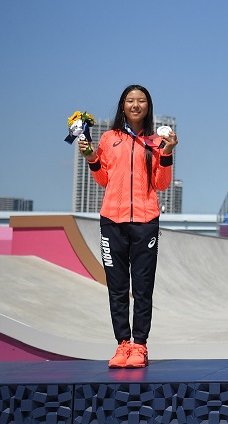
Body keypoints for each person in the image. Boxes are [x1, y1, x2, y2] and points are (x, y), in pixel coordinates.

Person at [78, 84, 178, 368]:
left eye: (141, 101)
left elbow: (161, 183)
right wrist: (90, 158)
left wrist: (168, 153)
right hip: (112, 220)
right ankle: (122, 344)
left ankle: (140, 345)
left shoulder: (157, 141)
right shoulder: (109, 139)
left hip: (146, 221)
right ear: (123, 106)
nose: (136, 105)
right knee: (117, 287)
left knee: (143, 288)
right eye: (130, 100)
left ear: (148, 107)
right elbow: (103, 180)